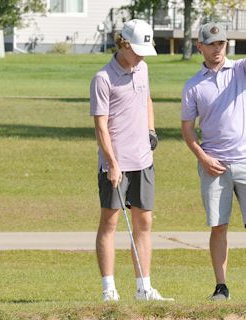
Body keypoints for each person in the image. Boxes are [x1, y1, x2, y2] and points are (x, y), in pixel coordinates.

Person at [90, 19, 173, 302]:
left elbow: (147, 99)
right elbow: (100, 126)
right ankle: (108, 289)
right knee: (110, 224)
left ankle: (144, 288)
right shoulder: (103, 78)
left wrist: (151, 130)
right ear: (123, 43)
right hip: (116, 164)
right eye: (137, 50)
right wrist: (112, 163)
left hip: (143, 160)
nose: (140, 56)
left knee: (144, 224)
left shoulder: (143, 68)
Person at [181, 22, 246, 300]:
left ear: (226, 45)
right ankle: (221, 287)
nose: (217, 49)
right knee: (219, 226)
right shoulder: (193, 85)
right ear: (200, 47)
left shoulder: (240, 71)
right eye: (211, 44)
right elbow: (187, 128)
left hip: (244, 161)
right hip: (213, 165)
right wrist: (203, 158)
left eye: (221, 44)